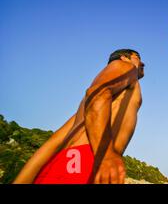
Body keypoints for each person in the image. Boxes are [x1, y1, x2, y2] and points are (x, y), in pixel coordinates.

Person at [13, 49, 145, 184]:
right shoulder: (126, 67)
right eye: (138, 57)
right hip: (88, 159)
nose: (142, 63)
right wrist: (105, 154)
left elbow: (54, 142)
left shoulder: (89, 110)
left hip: (59, 164)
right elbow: (98, 93)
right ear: (124, 57)